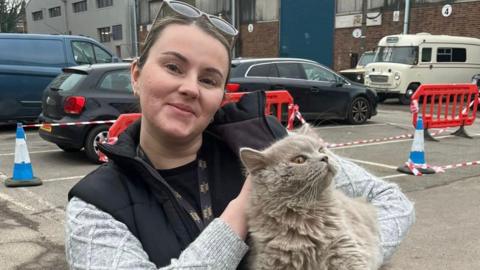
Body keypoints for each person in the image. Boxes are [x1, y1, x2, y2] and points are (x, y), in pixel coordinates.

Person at [65, 1, 415, 269]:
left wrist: (345, 256)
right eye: (173, 67)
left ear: (222, 97)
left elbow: (391, 200)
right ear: (137, 75)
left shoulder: (270, 144)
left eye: (208, 79)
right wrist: (239, 214)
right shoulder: (95, 205)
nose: (189, 88)